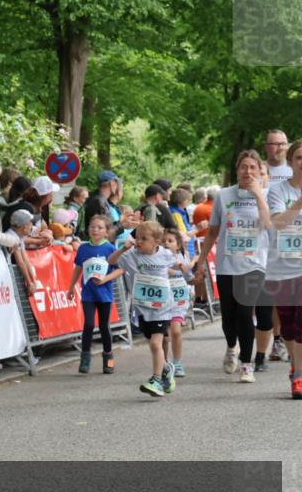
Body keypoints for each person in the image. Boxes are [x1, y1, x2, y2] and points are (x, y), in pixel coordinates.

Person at [194, 150, 272, 383]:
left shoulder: (268, 193)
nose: (247, 171)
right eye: (243, 167)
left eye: (252, 167)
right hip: (227, 263)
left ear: (259, 171)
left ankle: (247, 366)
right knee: (229, 317)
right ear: (237, 170)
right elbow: (214, 231)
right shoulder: (224, 196)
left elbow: (268, 224)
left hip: (255, 264)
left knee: (245, 314)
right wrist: (201, 260)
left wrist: (258, 194)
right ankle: (231, 347)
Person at [110, 222, 178, 397]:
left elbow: (175, 263)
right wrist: (122, 249)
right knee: (153, 344)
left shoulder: (164, 255)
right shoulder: (131, 255)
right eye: (137, 237)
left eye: (144, 239)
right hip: (142, 308)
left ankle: (156, 380)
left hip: (162, 307)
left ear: (157, 241)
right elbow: (111, 261)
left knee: (156, 344)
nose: (139, 241)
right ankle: (166, 368)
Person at [265, 138, 302, 398]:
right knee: (288, 325)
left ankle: (299, 376)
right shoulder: (278, 191)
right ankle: (295, 362)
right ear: (290, 163)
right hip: (282, 266)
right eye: (299, 157)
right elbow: (277, 224)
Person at [67, 214, 123, 374]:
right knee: (89, 324)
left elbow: (120, 269)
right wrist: (71, 288)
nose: (95, 230)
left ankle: (108, 358)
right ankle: (85, 357)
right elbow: (78, 268)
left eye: (99, 227)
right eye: (92, 226)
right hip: (88, 293)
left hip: (104, 294)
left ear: (106, 232)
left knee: (104, 326)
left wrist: (105, 279)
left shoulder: (110, 249)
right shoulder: (83, 248)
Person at [162, 228, 194, 377]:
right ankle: (163, 363)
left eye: (170, 241)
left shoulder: (183, 257)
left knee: (175, 330)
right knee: (163, 336)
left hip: (178, 299)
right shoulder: (157, 258)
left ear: (178, 245)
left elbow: (190, 278)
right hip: (162, 299)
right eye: (163, 241)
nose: (166, 243)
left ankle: (177, 362)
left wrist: (185, 270)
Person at [3, 209, 39, 295]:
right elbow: (20, 262)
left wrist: (34, 281)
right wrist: (29, 283)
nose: (32, 226)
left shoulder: (20, 236)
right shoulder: (11, 236)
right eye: (30, 223)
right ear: (24, 227)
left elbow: (25, 260)